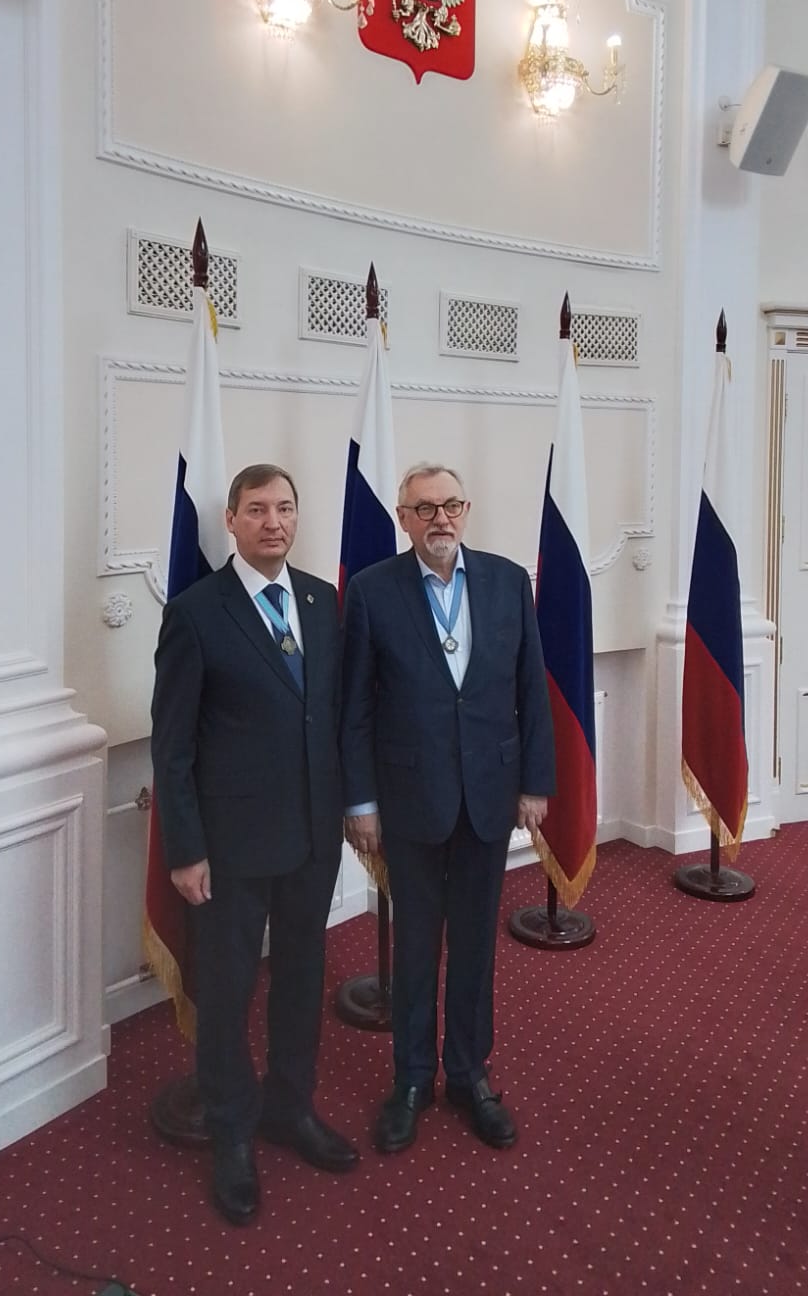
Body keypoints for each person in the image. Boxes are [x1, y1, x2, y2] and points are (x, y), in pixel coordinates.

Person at [150, 464, 357, 1226]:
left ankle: (289, 1107)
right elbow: (173, 746)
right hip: (229, 847)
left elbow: (331, 716)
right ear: (232, 521)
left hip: (312, 836)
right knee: (228, 991)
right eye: (258, 509)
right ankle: (232, 1130)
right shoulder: (195, 613)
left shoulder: (323, 601)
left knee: (302, 978)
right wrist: (185, 849)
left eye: (285, 508)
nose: (274, 522)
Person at [341, 463, 554, 1153]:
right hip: (410, 801)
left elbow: (532, 688)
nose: (441, 519)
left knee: (474, 946)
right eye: (425, 508)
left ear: (467, 510)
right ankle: (410, 1079)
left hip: (490, 796)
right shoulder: (372, 591)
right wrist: (361, 801)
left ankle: (468, 1074)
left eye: (452, 505)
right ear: (403, 518)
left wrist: (535, 784)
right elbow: (356, 708)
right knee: (413, 949)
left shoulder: (507, 582)